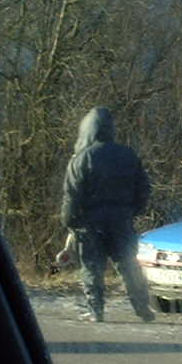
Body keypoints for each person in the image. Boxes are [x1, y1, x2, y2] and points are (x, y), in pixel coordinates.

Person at [61, 106, 154, 322]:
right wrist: (133, 211)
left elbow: (72, 194)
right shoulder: (128, 155)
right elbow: (144, 188)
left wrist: (69, 221)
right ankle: (143, 309)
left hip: (90, 221)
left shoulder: (82, 158)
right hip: (121, 219)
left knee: (92, 267)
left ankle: (96, 310)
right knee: (129, 265)